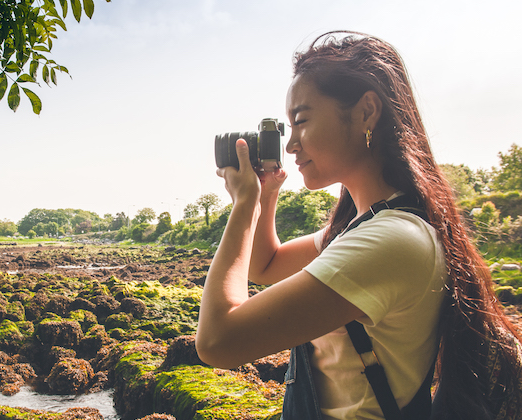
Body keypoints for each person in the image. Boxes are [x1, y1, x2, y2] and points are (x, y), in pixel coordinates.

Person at [195, 31, 522, 420]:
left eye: (301, 121)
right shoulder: (363, 228)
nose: (291, 144)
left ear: (367, 111)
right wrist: (264, 195)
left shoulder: (391, 241)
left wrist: (244, 204)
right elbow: (264, 265)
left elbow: (218, 341)